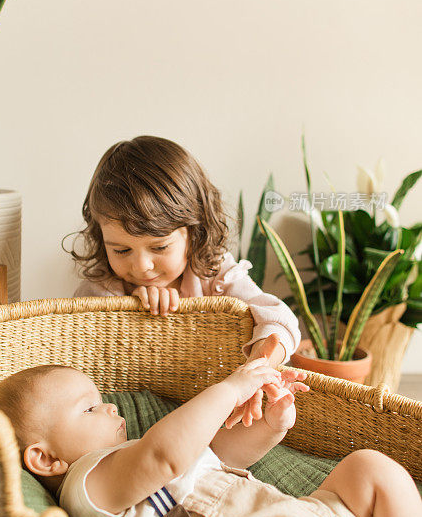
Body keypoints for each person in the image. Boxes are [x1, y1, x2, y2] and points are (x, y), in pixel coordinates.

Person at [0, 351, 422, 517]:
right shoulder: (88, 484)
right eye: (88, 408)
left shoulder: (131, 454)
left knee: (368, 467)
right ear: (45, 460)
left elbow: (218, 453)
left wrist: (272, 425)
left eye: (102, 399)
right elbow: (165, 458)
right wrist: (230, 389)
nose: (110, 408)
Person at [69, 136, 301, 425]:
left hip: (208, 410)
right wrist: (132, 306)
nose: (141, 266)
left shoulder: (214, 273)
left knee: (269, 421)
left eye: (159, 247)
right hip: (123, 415)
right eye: (121, 250)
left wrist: (256, 369)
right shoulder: (104, 286)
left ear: (195, 232)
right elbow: (80, 335)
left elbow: (281, 318)